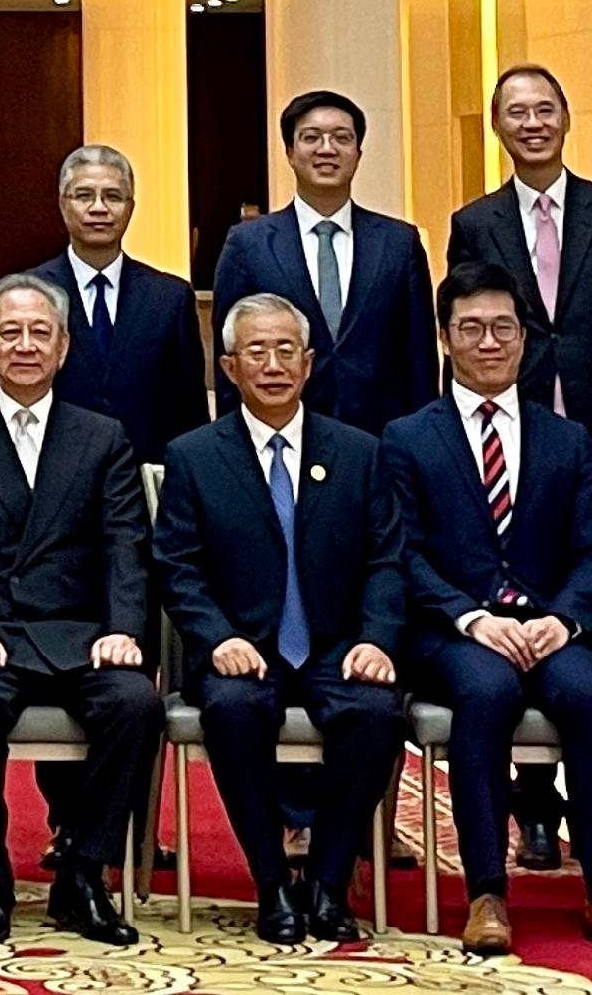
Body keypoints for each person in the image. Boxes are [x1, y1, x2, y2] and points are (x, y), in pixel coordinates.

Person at [386, 270, 592, 959]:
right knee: (488, 690)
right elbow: (402, 553)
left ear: (526, 339)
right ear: (446, 339)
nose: (489, 342)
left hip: (547, 626)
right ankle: (487, 893)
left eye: (504, 328)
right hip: (455, 634)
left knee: (590, 688)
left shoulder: (567, 440)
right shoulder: (408, 438)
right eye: (471, 329)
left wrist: (564, 620)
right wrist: (471, 619)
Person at [0, 273, 157, 950]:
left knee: (136, 703)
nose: (25, 346)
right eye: (10, 333)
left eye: (39, 332)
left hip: (80, 634)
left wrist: (123, 631)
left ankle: (81, 870)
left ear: (65, 347)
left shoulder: (102, 436)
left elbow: (124, 546)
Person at [151, 293, 406, 949]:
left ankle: (325, 881)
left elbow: (386, 559)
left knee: (377, 711)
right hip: (242, 646)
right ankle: (270, 883)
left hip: (335, 645)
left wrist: (376, 640)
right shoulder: (194, 456)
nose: (272, 365)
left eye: (286, 350)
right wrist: (217, 638)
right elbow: (178, 568)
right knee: (233, 711)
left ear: (310, 362)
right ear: (229, 368)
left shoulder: (359, 452)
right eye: (255, 352)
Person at [204, 92, 434, 431]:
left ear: (358, 153)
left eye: (342, 138)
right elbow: (231, 358)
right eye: (311, 137)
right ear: (290, 153)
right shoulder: (248, 245)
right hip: (283, 438)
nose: (327, 149)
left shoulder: (398, 243)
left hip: (382, 440)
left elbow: (421, 359)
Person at [444, 64, 592, 430]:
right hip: (513, 424)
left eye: (545, 110)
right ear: (496, 125)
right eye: (517, 113)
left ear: (566, 119)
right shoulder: (474, 225)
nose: (533, 124)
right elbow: (462, 334)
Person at [36, 144, 207, 464]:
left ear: (130, 208)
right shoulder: (29, 294)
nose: (99, 208)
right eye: (84, 196)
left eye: (113, 197)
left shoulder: (170, 298)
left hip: (146, 475)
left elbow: (190, 409)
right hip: (51, 474)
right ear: (62, 204)